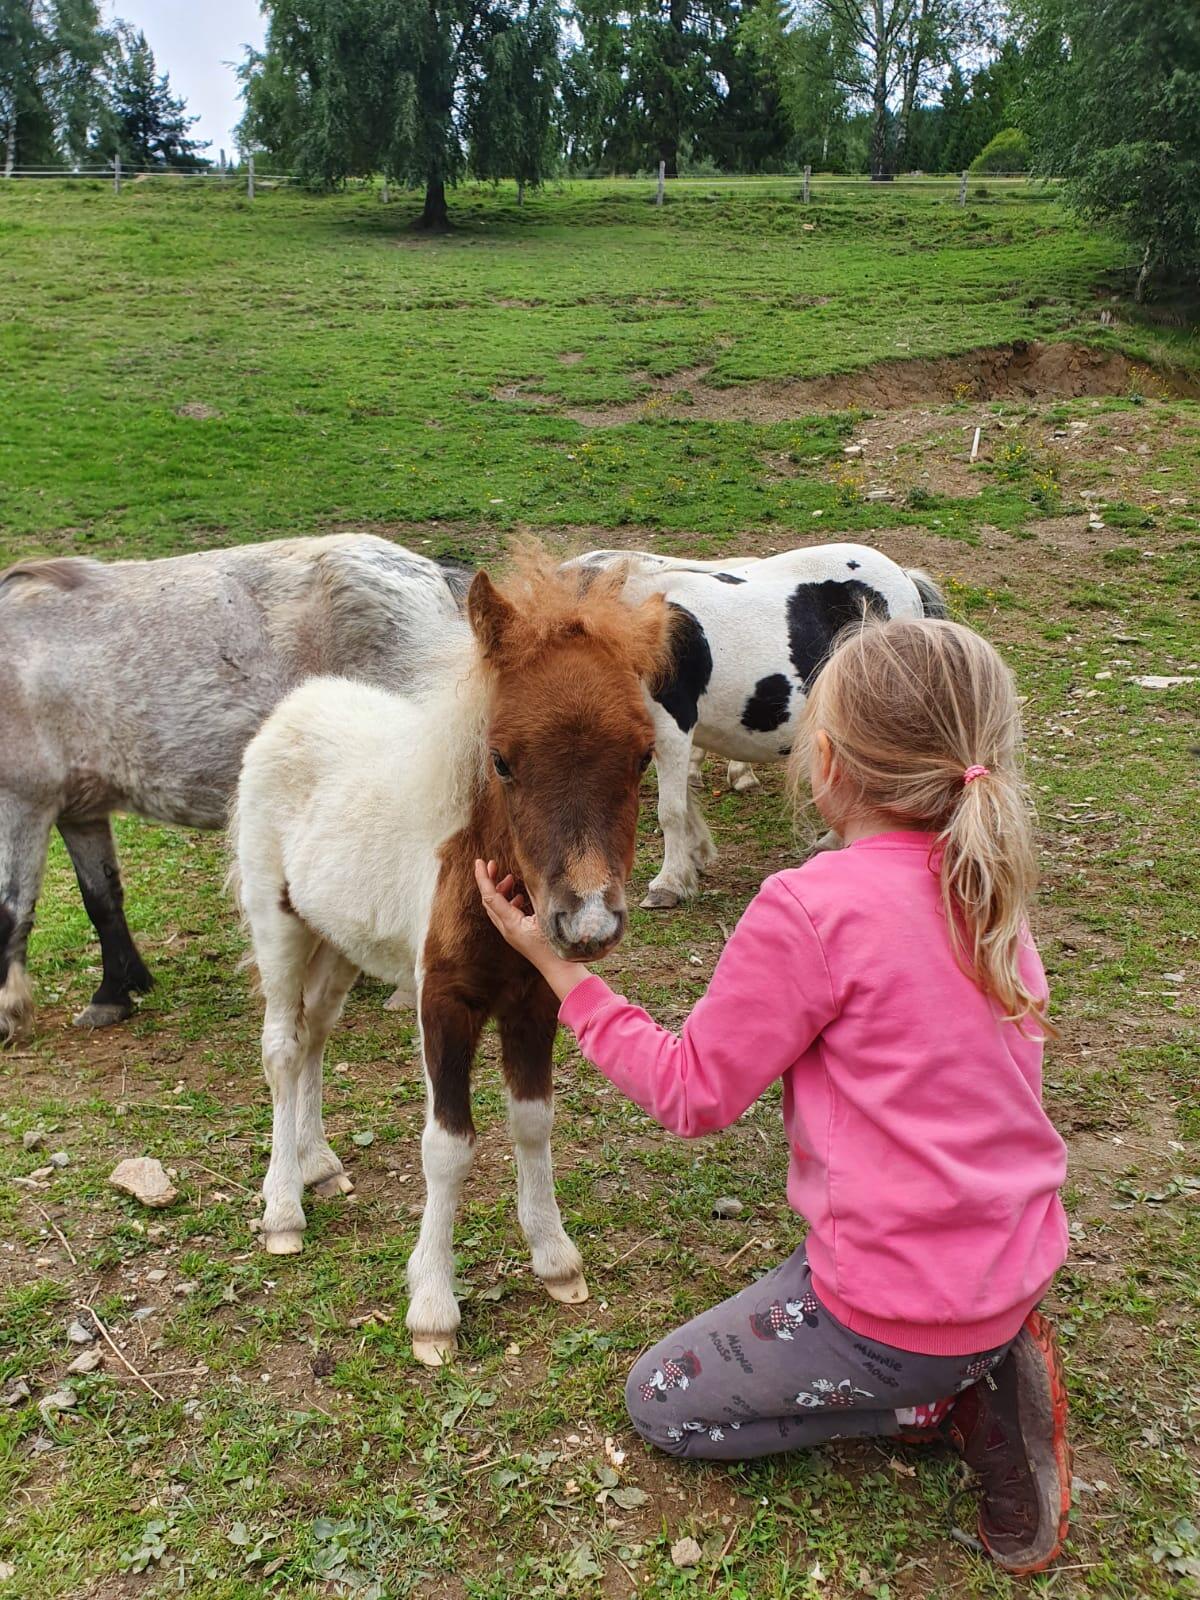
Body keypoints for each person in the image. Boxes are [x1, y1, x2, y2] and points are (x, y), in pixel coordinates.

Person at [474, 615, 1072, 1577]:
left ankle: (940, 1396)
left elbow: (689, 1093)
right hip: (1014, 1260)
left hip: (886, 1306)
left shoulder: (811, 908)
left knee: (661, 1402)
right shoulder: (988, 881)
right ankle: (979, 1356)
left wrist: (559, 969)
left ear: (822, 757)